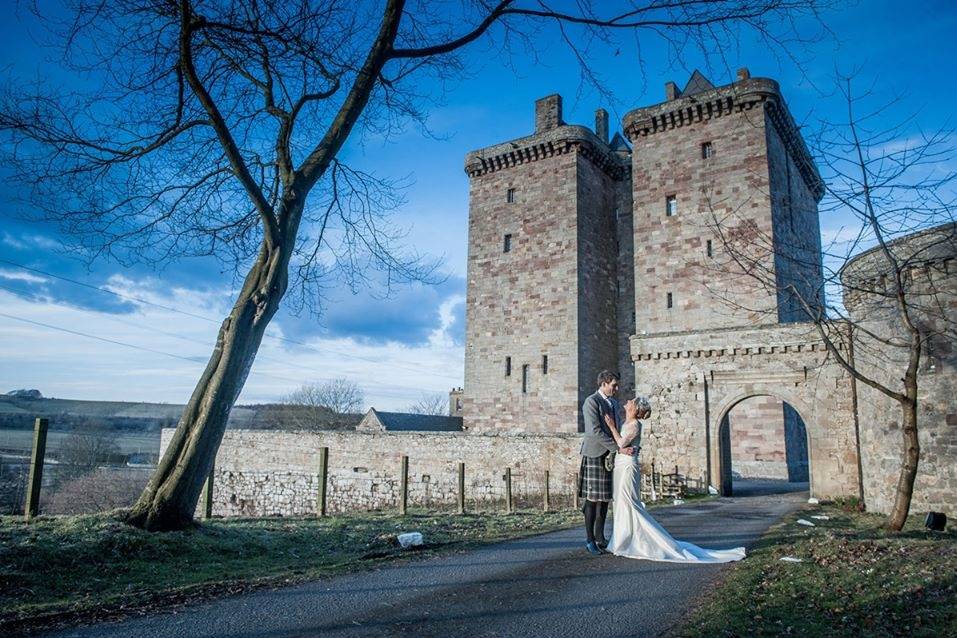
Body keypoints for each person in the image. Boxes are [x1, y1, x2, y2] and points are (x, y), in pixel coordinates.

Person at [603, 397, 746, 563]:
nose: (628, 401)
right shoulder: (628, 422)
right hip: (621, 464)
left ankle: (632, 541)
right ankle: (622, 539)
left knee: (629, 502)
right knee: (621, 502)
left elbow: (621, 442)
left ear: (635, 409)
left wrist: (611, 426)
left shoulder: (634, 425)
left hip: (627, 466)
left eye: (632, 401)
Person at [578, 370, 636, 555]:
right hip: (595, 454)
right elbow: (595, 431)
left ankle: (600, 537)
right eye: (613, 385)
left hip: (609, 456)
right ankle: (589, 540)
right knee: (592, 500)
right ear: (603, 384)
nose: (616, 389)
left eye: (617, 385)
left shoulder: (614, 403)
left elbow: (616, 430)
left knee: (604, 500)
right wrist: (618, 448)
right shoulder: (591, 402)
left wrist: (622, 446)